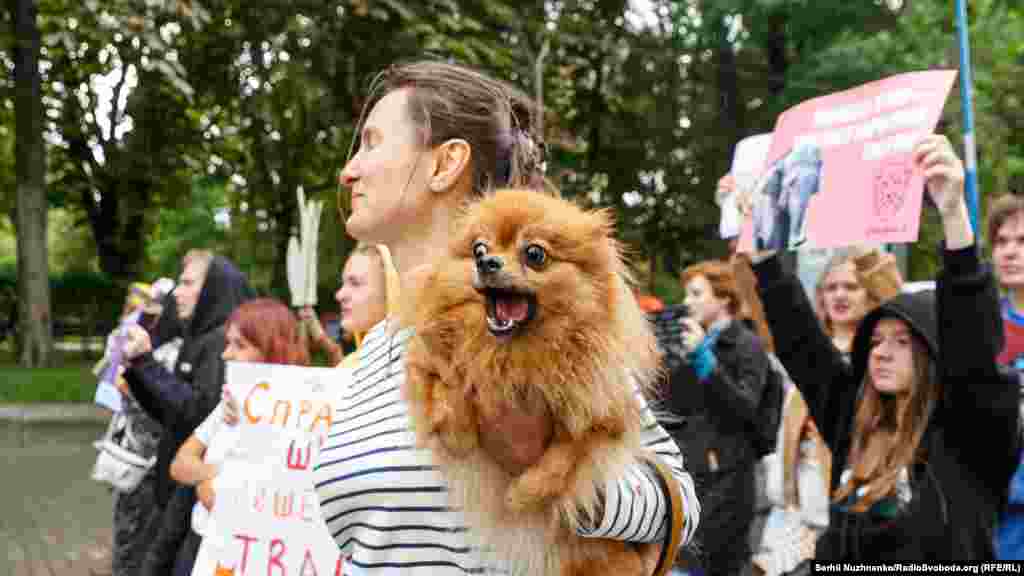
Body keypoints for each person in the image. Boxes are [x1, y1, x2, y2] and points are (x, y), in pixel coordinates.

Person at [306, 59, 697, 574]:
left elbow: (679, 508)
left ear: (445, 163)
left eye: (372, 143)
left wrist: (549, 473)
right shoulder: (375, 346)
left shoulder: (527, 326)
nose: (347, 170)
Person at [750, 134, 1020, 560]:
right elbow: (803, 348)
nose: (880, 351)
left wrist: (952, 212)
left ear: (932, 354)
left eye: (901, 342)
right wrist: (764, 259)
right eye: (874, 340)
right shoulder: (852, 419)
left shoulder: (970, 432)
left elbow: (973, 348)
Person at [120, 250, 255, 576]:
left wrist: (146, 364)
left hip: (196, 497)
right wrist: (140, 369)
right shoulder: (200, 338)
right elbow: (173, 414)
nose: (175, 293)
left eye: (187, 283)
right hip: (182, 489)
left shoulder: (218, 342)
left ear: (213, 289)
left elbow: (196, 412)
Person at [168, 298, 309, 574]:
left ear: (273, 352)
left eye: (240, 345)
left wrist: (211, 483)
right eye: (228, 343)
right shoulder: (229, 404)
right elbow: (180, 465)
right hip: (201, 547)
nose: (225, 355)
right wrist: (213, 475)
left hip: (255, 559)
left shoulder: (303, 417)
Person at [660, 260, 779, 576]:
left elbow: (745, 408)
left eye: (696, 294)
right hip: (691, 472)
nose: (687, 303)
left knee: (716, 564)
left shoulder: (746, 344)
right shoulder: (696, 341)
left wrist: (705, 362)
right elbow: (675, 409)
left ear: (724, 298)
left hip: (728, 478)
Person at [985, 193, 1024, 558]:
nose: (1009, 252)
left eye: (1022, 241)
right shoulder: (983, 328)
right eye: (1001, 242)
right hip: (997, 514)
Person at [302, 242, 399, 367]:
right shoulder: (348, 367)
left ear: (391, 291)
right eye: (343, 283)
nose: (339, 295)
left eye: (355, 283)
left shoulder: (419, 369)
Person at [813, 248, 903, 361]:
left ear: (871, 296)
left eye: (851, 287)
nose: (839, 295)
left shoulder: (884, 349)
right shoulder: (807, 348)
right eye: (831, 288)